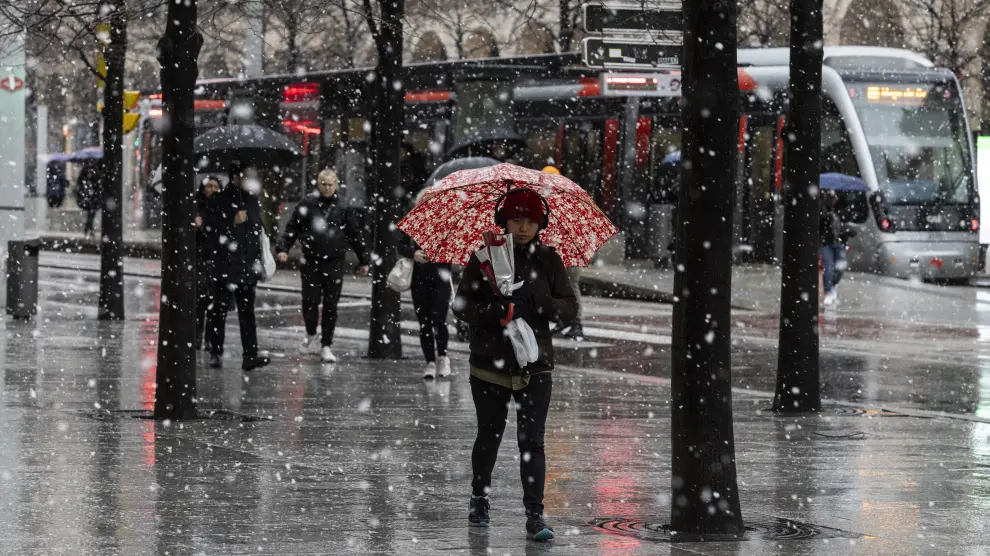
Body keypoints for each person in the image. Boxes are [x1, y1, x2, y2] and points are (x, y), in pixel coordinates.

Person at [453, 188, 577, 542]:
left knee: (532, 442)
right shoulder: (485, 257)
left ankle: (535, 515)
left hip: (535, 364)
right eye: (516, 219)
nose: (523, 227)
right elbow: (461, 305)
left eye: (531, 221)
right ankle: (479, 497)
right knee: (489, 434)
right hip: (489, 363)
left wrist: (536, 303)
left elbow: (569, 307)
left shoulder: (549, 259)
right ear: (503, 220)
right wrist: (492, 311)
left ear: (541, 224)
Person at [276, 169, 369, 363]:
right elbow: (293, 227)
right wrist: (283, 248)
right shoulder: (307, 203)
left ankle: (326, 344)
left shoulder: (343, 207)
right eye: (323, 184)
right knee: (310, 301)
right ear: (318, 184)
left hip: (334, 261)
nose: (327, 188)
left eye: (330, 184)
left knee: (330, 305)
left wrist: (364, 260)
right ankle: (311, 334)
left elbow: (355, 234)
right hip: (311, 260)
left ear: (336, 185)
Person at [205, 165, 271, 371]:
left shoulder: (252, 200)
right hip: (225, 265)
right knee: (219, 310)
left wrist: (258, 262)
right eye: (244, 176)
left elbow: (256, 232)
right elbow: (211, 232)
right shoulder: (218, 200)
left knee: (247, 312)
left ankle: (250, 354)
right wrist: (231, 222)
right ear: (235, 177)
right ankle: (216, 351)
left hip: (247, 265)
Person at [398, 190, 453, 379]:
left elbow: (454, 248)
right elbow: (401, 245)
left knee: (439, 319)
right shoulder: (413, 221)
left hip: (441, 278)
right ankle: (429, 362)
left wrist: (442, 249)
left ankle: (442, 357)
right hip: (419, 278)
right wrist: (413, 253)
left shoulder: (447, 221)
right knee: (424, 323)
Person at [542, 165, 585, 340]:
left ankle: (576, 323)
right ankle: (565, 319)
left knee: (570, 287)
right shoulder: (565, 200)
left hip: (567, 254)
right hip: (565, 253)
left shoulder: (557, 203)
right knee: (561, 288)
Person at [194, 176, 223, 351]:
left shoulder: (223, 208)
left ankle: (210, 339)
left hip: (218, 260)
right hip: (200, 260)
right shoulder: (196, 207)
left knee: (215, 301)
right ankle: (197, 336)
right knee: (199, 300)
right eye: (209, 186)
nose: (212, 189)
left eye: (215, 186)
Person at [820, 189, 847, 307]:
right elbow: (820, 226)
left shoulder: (842, 211)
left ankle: (833, 285)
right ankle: (828, 291)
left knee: (839, 268)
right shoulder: (822, 210)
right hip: (827, 243)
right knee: (828, 268)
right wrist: (826, 216)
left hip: (840, 243)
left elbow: (845, 226)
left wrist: (845, 232)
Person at [76, 160, 101, 239]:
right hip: (90, 197)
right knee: (91, 213)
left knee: (91, 213)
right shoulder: (91, 171)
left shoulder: (90, 171)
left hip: (91, 196)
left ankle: (89, 228)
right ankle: (89, 229)